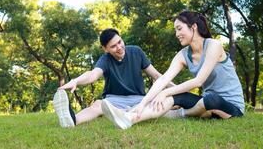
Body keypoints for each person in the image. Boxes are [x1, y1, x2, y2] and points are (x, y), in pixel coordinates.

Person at [101, 11, 245, 129]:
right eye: (176, 30)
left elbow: (198, 81)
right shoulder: (183, 54)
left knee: (209, 99)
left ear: (193, 27)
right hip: (207, 102)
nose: (176, 34)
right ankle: (129, 118)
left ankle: (185, 113)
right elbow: (163, 79)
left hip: (231, 105)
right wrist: (143, 103)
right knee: (175, 97)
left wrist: (165, 92)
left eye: (179, 28)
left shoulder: (214, 45)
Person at [53, 28, 175, 128]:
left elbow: (157, 76)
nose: (119, 47)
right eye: (113, 46)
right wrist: (76, 81)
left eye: (120, 42)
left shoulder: (136, 52)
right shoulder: (105, 60)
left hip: (139, 98)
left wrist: (178, 88)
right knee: (97, 105)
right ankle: (72, 121)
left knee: (166, 102)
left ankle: (127, 114)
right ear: (105, 49)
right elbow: (92, 75)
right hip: (113, 100)